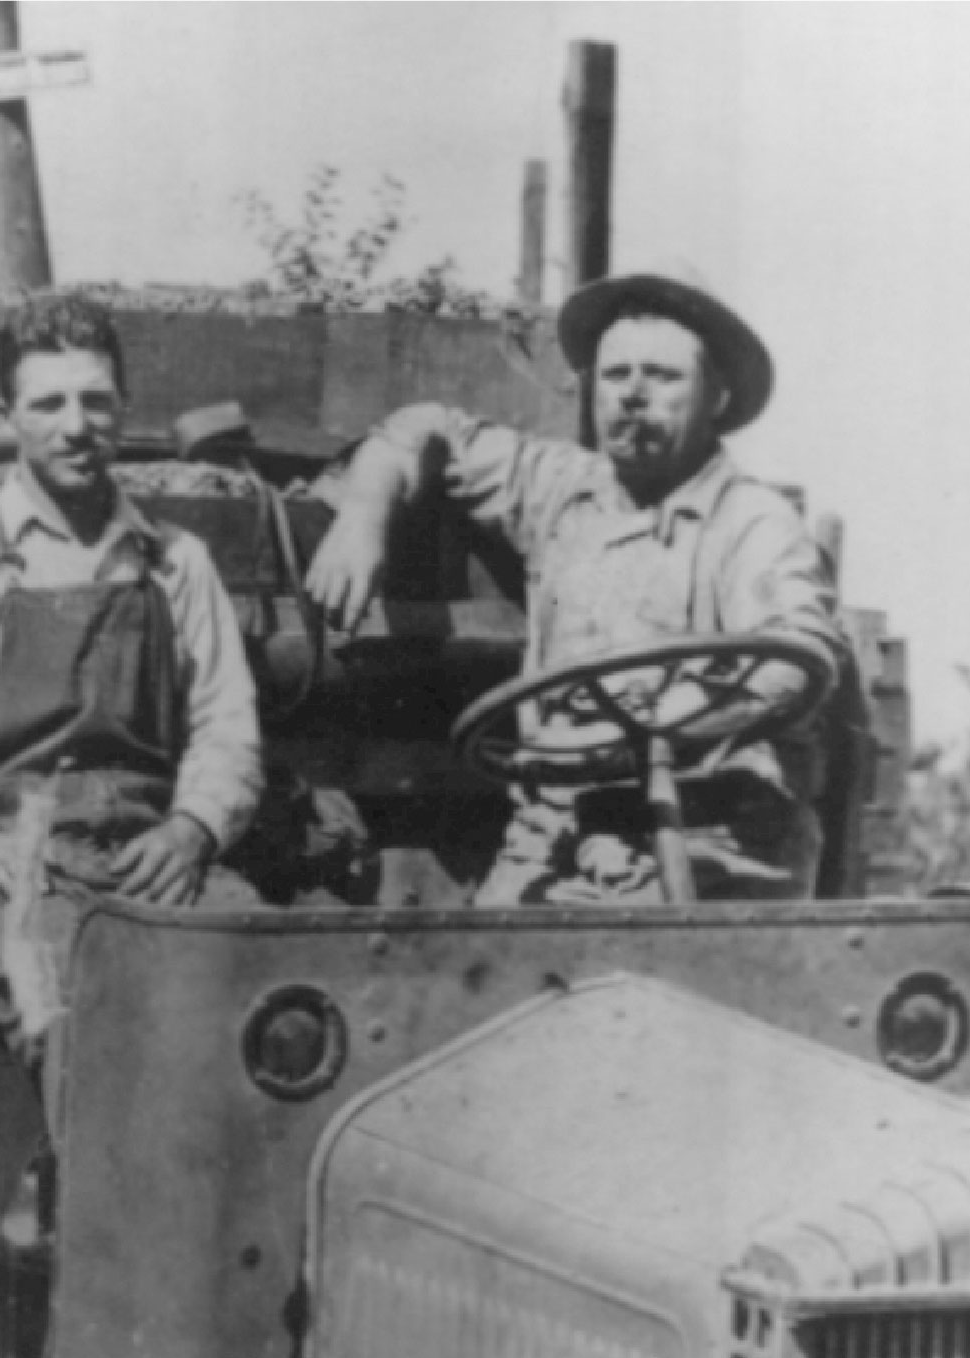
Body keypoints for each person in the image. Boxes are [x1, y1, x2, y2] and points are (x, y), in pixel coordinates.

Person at [303, 269, 848, 905]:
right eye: (616, 376)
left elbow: (796, 657)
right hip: (560, 838)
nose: (633, 395)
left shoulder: (752, 522)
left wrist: (656, 726)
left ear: (718, 398)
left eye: (663, 377)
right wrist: (365, 512)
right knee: (464, 974)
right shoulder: (560, 490)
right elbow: (430, 428)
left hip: (712, 843)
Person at [0, 294, 265, 1054]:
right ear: (6, 414)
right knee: (73, 1018)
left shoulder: (175, 558)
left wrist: (193, 829)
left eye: (95, 401)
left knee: (271, 1004)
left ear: (124, 408)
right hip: (12, 854)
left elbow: (224, 725)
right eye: (47, 404)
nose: (75, 427)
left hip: (148, 850)